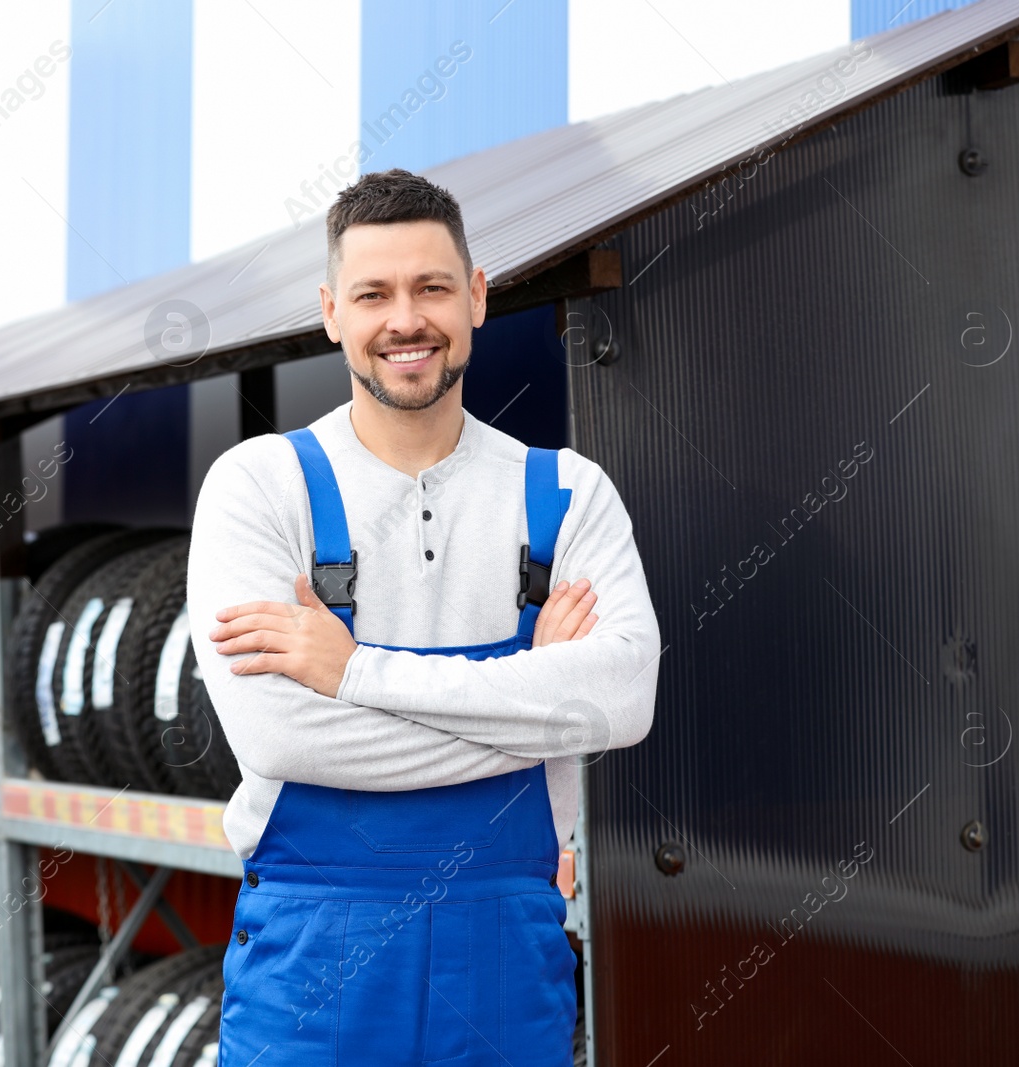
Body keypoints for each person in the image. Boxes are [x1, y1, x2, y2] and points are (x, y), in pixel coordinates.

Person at [186, 167, 661, 1065]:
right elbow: (284, 739)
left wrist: (353, 672)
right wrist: (537, 707)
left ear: (476, 296)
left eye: (433, 287)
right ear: (333, 312)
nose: (406, 319)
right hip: (314, 974)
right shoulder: (259, 486)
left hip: (507, 965)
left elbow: (623, 702)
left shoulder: (564, 492)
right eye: (374, 293)